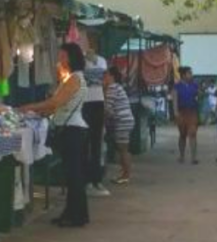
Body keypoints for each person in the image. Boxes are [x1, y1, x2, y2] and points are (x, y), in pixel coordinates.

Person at [19, 43, 89, 228]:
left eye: (63, 56)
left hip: (72, 131)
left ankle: (76, 216)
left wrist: (30, 107)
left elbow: (56, 101)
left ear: (71, 58)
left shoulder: (74, 78)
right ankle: (73, 213)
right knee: (73, 175)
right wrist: (40, 112)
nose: (60, 59)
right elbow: (58, 106)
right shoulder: (73, 78)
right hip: (72, 129)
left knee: (74, 175)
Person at [82, 36, 110, 197]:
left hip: (98, 102)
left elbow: (104, 82)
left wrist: (105, 103)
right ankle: (86, 181)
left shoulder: (102, 61)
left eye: (92, 42)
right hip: (84, 103)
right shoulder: (81, 61)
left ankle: (96, 180)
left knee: (97, 142)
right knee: (85, 143)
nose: (90, 45)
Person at [104, 66, 135, 184]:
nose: (104, 78)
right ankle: (125, 172)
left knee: (123, 149)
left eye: (106, 75)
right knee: (124, 149)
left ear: (111, 76)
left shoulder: (112, 88)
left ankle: (125, 175)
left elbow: (108, 108)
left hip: (122, 121)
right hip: (125, 120)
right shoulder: (117, 87)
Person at [172, 66, 201, 164]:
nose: (191, 75)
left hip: (192, 112)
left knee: (192, 134)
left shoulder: (194, 85)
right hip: (181, 112)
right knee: (182, 135)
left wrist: (200, 93)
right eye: (189, 73)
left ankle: (194, 157)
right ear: (183, 75)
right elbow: (175, 100)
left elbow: (199, 96)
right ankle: (182, 156)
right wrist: (175, 112)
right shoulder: (177, 86)